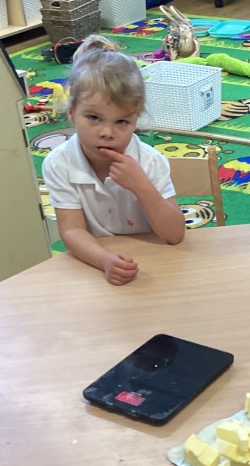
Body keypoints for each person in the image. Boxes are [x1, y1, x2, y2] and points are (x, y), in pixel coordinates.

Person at [42, 35, 185, 285]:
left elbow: (174, 234)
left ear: (136, 120)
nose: (107, 132)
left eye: (121, 121)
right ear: (72, 112)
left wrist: (141, 185)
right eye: (94, 118)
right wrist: (105, 260)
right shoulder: (58, 163)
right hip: (96, 263)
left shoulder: (150, 161)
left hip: (157, 263)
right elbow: (72, 230)